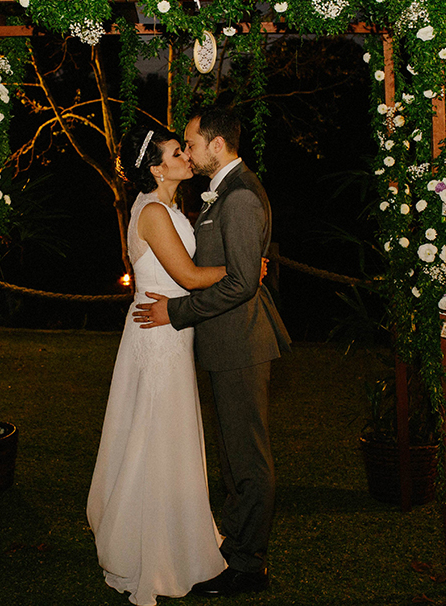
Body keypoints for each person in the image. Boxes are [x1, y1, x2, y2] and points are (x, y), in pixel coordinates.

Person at [133, 107, 290, 598]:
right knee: (234, 452)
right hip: (224, 341)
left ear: (216, 145)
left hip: (241, 340)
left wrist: (176, 312)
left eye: (192, 143)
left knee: (248, 457)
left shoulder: (239, 197)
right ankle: (234, 544)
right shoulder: (222, 192)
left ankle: (247, 564)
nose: (189, 150)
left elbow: (242, 283)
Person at [86, 125, 228, 606]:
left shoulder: (169, 207)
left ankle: (178, 535)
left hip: (171, 330)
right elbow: (187, 276)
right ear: (156, 168)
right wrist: (244, 271)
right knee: (157, 433)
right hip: (159, 334)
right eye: (177, 152)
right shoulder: (151, 212)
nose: (187, 157)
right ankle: (153, 549)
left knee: (167, 433)